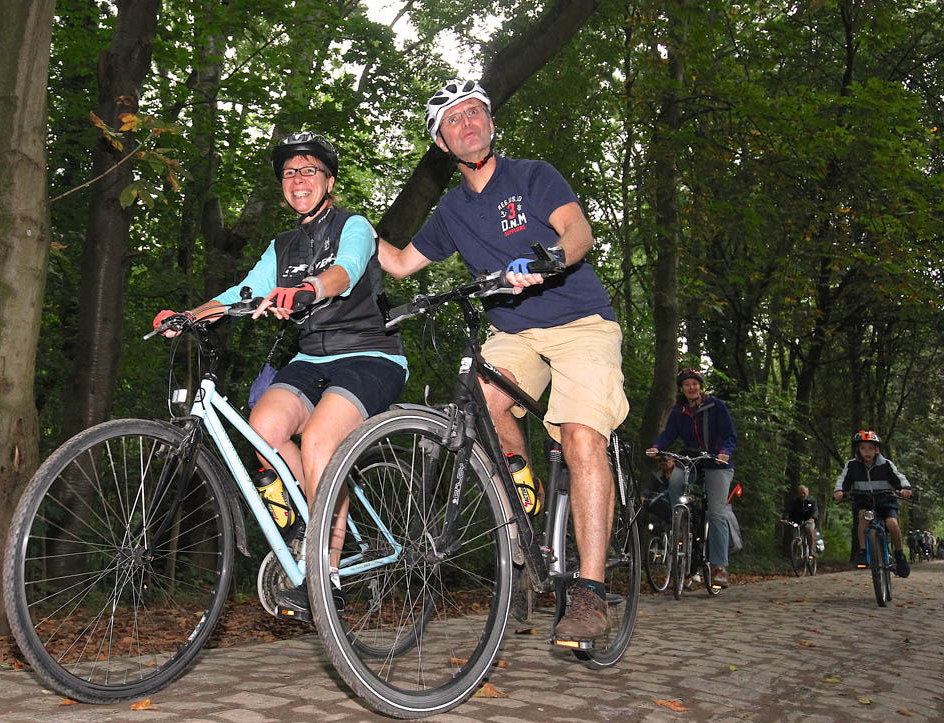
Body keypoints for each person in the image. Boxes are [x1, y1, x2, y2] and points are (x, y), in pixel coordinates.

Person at [378, 79, 629, 643]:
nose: (466, 123)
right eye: (452, 119)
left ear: (490, 123)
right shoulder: (450, 210)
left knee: (581, 437)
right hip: (514, 332)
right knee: (480, 401)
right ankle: (522, 494)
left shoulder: (532, 176)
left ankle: (590, 591)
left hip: (580, 323)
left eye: (474, 112)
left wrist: (550, 258)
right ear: (441, 143)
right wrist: (349, 227)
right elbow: (398, 264)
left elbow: (578, 231)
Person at [153, 131, 407, 618]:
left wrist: (310, 288)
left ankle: (325, 574)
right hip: (310, 359)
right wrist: (189, 315)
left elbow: (347, 270)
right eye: (290, 172)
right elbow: (245, 290)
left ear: (329, 181)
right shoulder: (283, 245)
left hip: (370, 355)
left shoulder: (353, 225)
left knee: (319, 441)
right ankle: (316, 511)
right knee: (264, 429)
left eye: (310, 170)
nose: (298, 179)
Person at [645, 368, 738, 588]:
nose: (691, 387)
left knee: (716, 513)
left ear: (700, 386)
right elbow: (668, 435)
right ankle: (680, 520)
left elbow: (730, 435)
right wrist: (657, 447)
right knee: (675, 482)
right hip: (691, 459)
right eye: (686, 384)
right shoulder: (678, 411)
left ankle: (719, 567)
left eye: (694, 383)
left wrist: (725, 452)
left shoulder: (715, 406)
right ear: (681, 388)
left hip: (717, 461)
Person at [832, 430, 912, 578]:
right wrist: (839, 492)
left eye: (870, 448)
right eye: (863, 448)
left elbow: (899, 478)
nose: (867, 452)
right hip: (864, 501)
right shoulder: (852, 465)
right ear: (858, 450)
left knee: (892, 524)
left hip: (886, 501)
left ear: (877, 450)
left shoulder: (886, 464)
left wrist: (905, 489)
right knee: (863, 517)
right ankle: (863, 552)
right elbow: (842, 480)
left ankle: (899, 554)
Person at [782, 484, 819, 561]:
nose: (802, 495)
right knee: (796, 536)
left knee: (809, 528)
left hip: (808, 521)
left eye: (804, 493)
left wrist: (813, 518)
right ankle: (799, 554)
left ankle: (811, 550)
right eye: (801, 493)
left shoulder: (812, 501)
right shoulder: (794, 502)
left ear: (807, 493)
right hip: (797, 522)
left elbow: (815, 511)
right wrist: (786, 519)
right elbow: (787, 511)